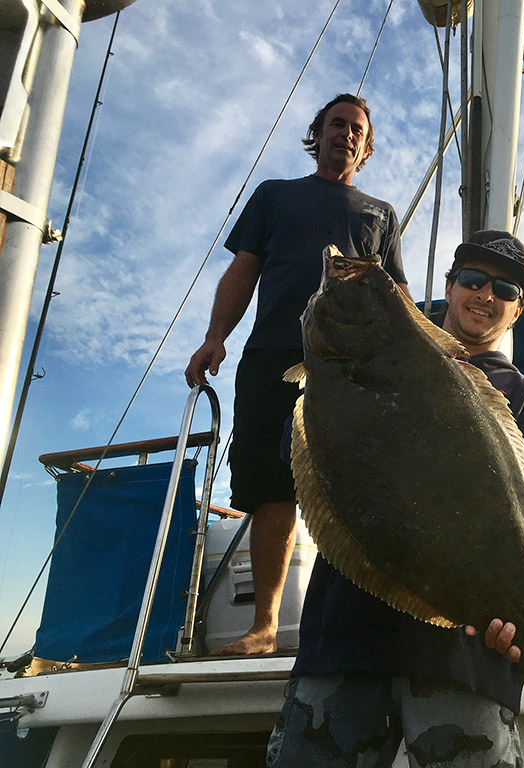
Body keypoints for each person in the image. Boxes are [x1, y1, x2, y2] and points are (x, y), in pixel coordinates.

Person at [267, 231, 524, 768]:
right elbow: (301, 457)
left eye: (506, 289)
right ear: (447, 288)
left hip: (466, 658)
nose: (485, 295)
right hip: (346, 641)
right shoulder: (343, 372)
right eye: (473, 280)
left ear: (519, 311)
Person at [184, 93, 409, 656]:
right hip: (272, 357)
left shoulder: (380, 214)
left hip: (349, 367)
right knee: (271, 488)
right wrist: (216, 336)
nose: (347, 134)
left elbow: (397, 297)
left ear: (368, 143)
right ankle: (264, 626)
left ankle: (355, 622)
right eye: (338, 124)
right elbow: (244, 269)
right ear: (318, 133)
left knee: (354, 489)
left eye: (358, 128)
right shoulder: (275, 196)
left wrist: (410, 361)